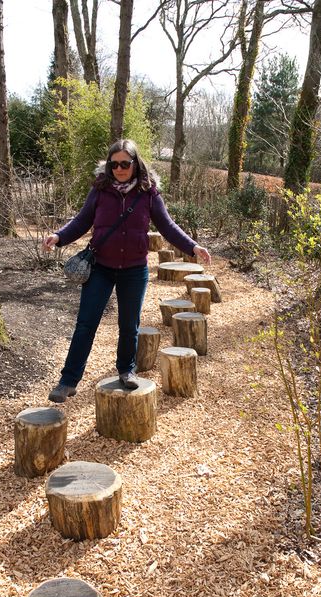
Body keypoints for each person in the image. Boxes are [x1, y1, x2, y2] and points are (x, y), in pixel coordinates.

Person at [43, 138, 211, 403]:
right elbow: (82, 220)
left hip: (134, 269)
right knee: (86, 323)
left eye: (125, 163)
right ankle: (68, 380)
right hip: (101, 268)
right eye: (114, 164)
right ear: (109, 166)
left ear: (135, 164)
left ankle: (126, 370)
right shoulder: (100, 189)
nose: (119, 169)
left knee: (129, 325)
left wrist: (193, 246)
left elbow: (167, 226)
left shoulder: (148, 192)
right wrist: (59, 236)